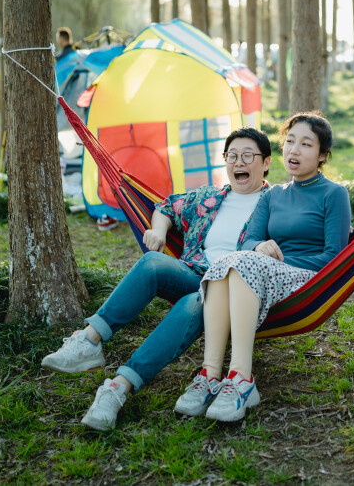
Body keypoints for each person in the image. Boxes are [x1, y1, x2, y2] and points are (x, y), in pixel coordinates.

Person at [40, 127, 273, 431]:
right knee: (152, 261)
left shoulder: (275, 203)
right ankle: (89, 340)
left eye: (248, 156)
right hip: (194, 273)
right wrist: (159, 231)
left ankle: (118, 388)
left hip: (232, 290)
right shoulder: (208, 197)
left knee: (194, 304)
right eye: (232, 156)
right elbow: (165, 206)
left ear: (266, 162)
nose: (238, 163)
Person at [176, 112, 352, 422]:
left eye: (306, 144)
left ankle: (242, 378)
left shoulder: (334, 194)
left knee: (245, 264)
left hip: (309, 282)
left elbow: (333, 256)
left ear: (323, 155)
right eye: (290, 142)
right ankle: (210, 375)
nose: (294, 150)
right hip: (264, 273)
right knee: (231, 262)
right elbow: (249, 241)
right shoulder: (272, 195)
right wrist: (258, 248)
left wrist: (275, 259)